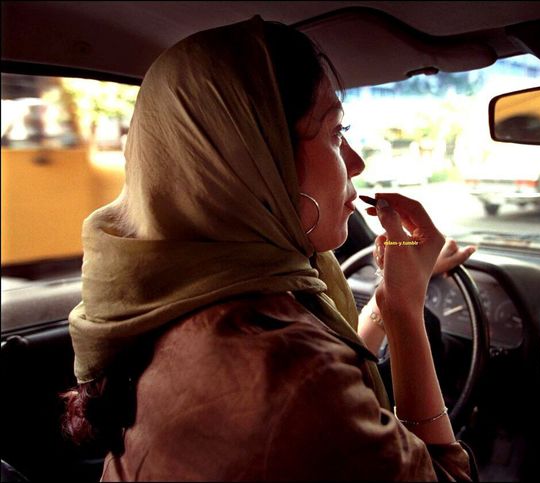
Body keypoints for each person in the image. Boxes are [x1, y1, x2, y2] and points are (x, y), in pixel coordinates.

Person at [62, 16, 477, 481]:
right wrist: (406, 315)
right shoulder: (295, 381)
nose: (356, 162)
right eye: (335, 132)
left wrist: (388, 303)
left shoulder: (172, 291)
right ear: (261, 159)